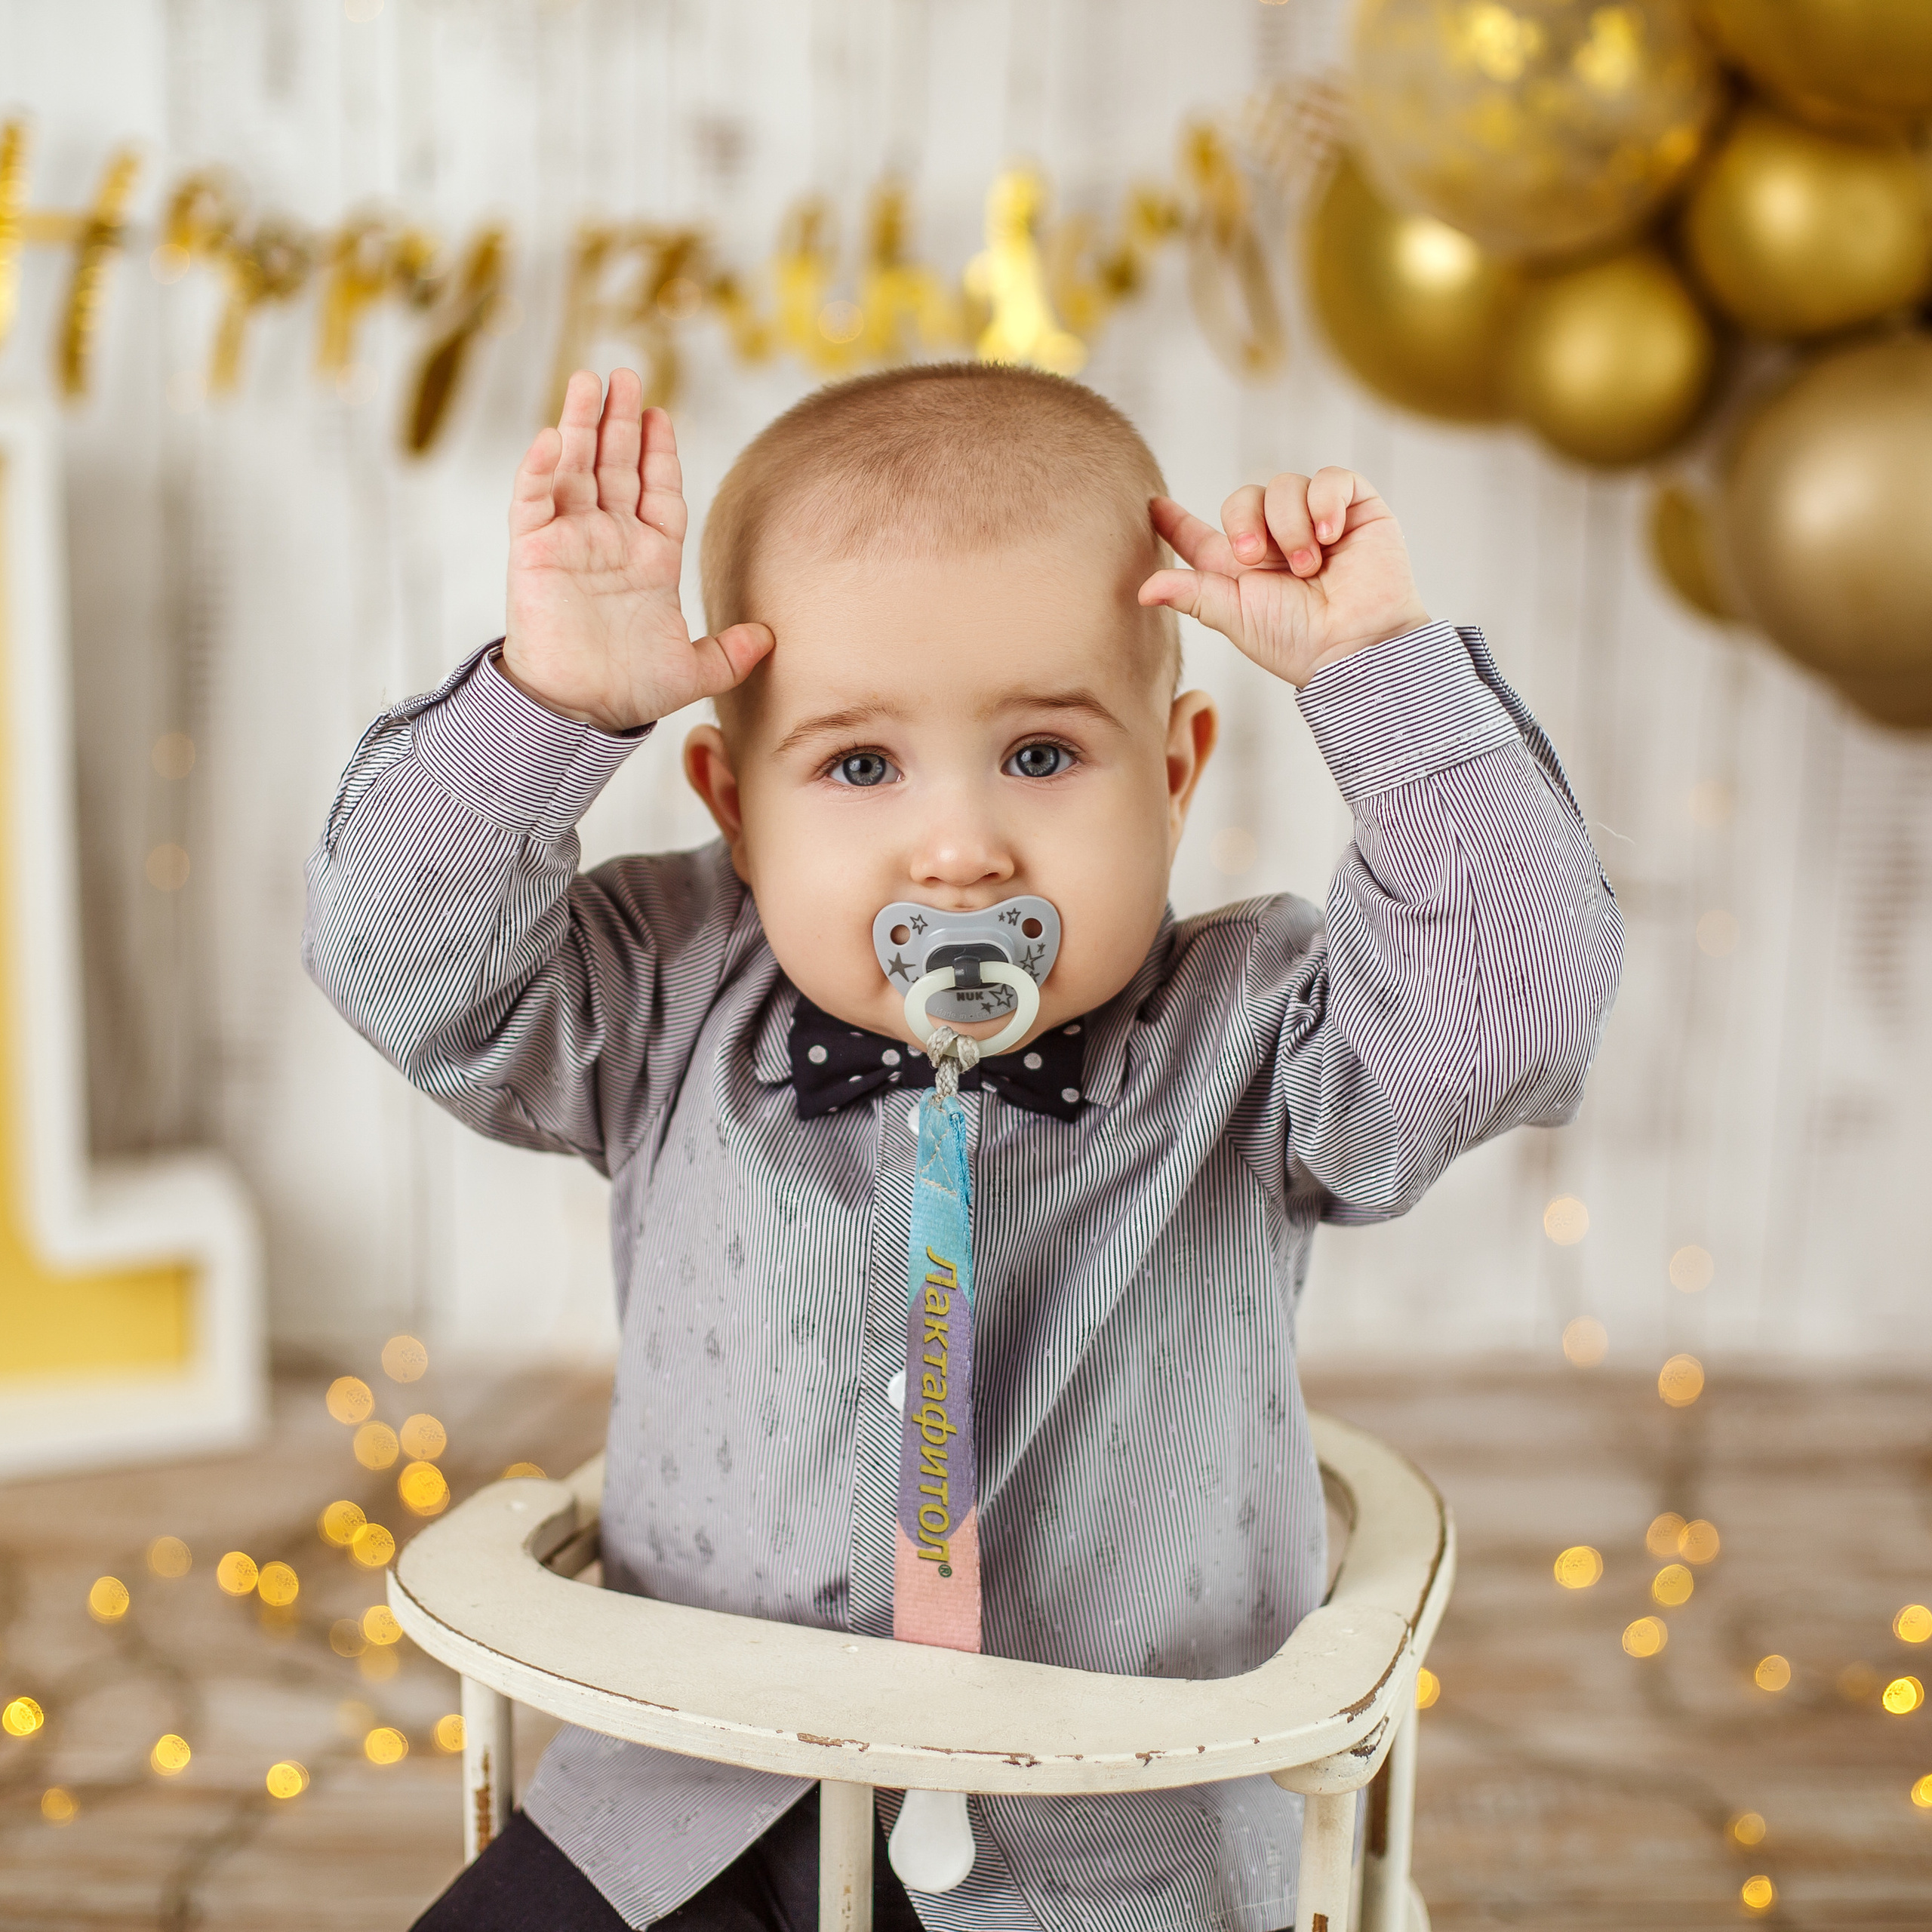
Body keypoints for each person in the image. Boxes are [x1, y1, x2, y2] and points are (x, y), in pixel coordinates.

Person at [304, 362, 1622, 1932]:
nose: (959, 846)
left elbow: (1516, 1006)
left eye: (1044, 754)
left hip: (1110, 1850)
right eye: (858, 765)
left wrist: (1378, 677)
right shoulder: (662, 993)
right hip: (692, 1799)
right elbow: (394, 955)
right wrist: (550, 703)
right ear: (734, 803)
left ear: (1174, 770)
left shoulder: (1253, 1036)